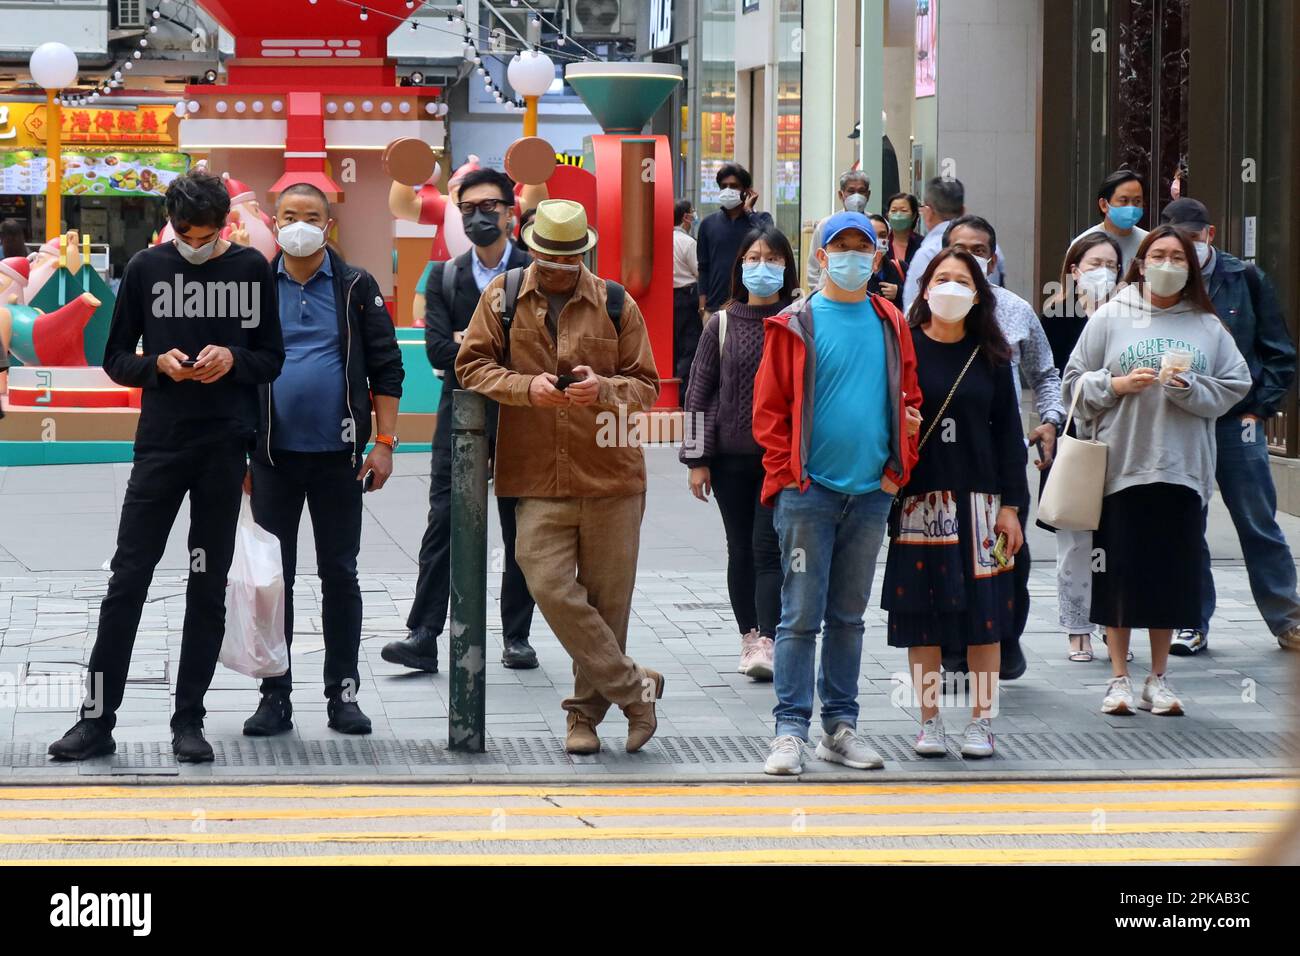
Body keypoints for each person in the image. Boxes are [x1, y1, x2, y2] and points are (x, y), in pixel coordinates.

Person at [48, 169, 285, 762]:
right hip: (161, 444)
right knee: (127, 580)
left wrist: (233, 357)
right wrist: (159, 367)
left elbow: (272, 358)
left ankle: (189, 720)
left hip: (224, 447)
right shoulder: (147, 269)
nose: (193, 243)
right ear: (170, 223)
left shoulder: (252, 270)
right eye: (183, 232)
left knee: (206, 585)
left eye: (204, 235)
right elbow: (114, 358)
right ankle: (96, 720)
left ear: (225, 226)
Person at [456, 199, 664, 755]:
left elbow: (647, 384)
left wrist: (606, 388)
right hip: (534, 476)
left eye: (569, 257)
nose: (557, 266)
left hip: (613, 476)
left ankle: (583, 719)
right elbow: (470, 365)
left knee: (607, 603)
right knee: (546, 583)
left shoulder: (616, 303)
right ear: (531, 245)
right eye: (548, 255)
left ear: (584, 253)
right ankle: (635, 690)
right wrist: (526, 387)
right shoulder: (500, 298)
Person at [752, 211, 922, 775]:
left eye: (862, 248)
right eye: (839, 247)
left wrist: (898, 470)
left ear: (876, 259)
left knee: (849, 616)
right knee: (799, 615)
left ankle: (840, 727)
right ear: (821, 256)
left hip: (872, 493)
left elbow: (911, 403)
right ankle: (789, 731)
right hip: (809, 494)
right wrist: (790, 474)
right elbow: (769, 413)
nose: (851, 257)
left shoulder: (890, 321)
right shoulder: (794, 322)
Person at [1062, 225, 1250, 717]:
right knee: (1119, 573)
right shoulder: (1111, 316)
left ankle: (1159, 679)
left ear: (1191, 267)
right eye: (1158, 254)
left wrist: (1191, 388)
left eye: (1178, 256)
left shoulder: (1207, 325)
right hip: (1120, 468)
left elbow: (1235, 385)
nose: (1167, 264)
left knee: (1172, 577)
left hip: (1183, 470)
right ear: (1141, 263)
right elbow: (1073, 387)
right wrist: (1117, 385)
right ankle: (1119, 676)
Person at [240, 182, 404, 737]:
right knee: (272, 579)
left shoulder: (357, 286)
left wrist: (384, 443)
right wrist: (237, 451)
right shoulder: (254, 283)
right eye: (289, 215)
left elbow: (386, 368)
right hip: (270, 458)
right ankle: (274, 695)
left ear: (328, 225)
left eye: (311, 215)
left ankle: (344, 695)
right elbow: (236, 372)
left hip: (340, 458)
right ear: (274, 221)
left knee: (340, 575)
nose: (300, 224)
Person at [384, 168, 538, 673]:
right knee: (445, 521)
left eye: (489, 207)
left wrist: (467, 345)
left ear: (510, 212)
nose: (478, 217)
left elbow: (539, 350)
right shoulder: (445, 275)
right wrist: (498, 352)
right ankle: (424, 633)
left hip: (522, 416)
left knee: (521, 530)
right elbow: (434, 348)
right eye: (468, 208)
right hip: (460, 413)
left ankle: (516, 636)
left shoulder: (535, 272)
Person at [884, 247, 1028, 758]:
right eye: (941, 278)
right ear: (923, 289)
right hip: (920, 501)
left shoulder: (992, 356)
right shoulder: (903, 351)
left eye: (962, 281)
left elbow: (1011, 438)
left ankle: (981, 722)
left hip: (983, 505)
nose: (950, 288)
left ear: (977, 294)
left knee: (985, 620)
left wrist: (1013, 506)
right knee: (921, 616)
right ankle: (929, 722)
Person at [1159, 197, 1300, 654]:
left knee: (1257, 520)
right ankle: (1191, 622)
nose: (1185, 252)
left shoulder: (1245, 278)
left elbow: (1278, 349)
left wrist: (1259, 409)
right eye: (1177, 243)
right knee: (1185, 525)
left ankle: (1287, 618)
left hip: (1237, 420)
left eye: (1193, 241)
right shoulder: (1163, 281)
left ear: (1210, 235)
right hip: (1181, 420)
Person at [940, 215, 1064, 679]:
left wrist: (1050, 420)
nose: (970, 257)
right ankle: (953, 648)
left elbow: (1046, 374)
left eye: (979, 250)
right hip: (939, 453)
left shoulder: (1013, 310)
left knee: (1006, 551)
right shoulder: (923, 311)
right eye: (959, 248)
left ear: (991, 258)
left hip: (1000, 451)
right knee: (945, 551)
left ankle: (1004, 639)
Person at [681, 225, 798, 681]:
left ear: (787, 266)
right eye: (753, 258)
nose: (762, 266)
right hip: (730, 460)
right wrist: (697, 460)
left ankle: (769, 638)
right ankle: (749, 636)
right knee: (740, 549)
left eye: (772, 258)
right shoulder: (721, 323)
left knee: (769, 547)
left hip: (781, 459)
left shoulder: (801, 320)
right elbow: (697, 393)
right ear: (740, 267)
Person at [1038, 232, 1124, 662]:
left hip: (1122, 441)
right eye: (1094, 264)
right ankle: (1077, 628)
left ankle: (1114, 622)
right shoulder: (1054, 319)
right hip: (1072, 438)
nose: (1103, 272)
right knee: (1075, 537)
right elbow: (1048, 382)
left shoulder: (1132, 318)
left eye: (1111, 265)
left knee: (1116, 536)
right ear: (1073, 272)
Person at [696, 163, 774, 314]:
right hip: (715, 307)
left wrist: (749, 212)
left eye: (733, 186)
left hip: (752, 306)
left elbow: (772, 241)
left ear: (746, 191)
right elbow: (703, 267)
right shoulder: (708, 224)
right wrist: (702, 307)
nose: (728, 190)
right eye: (724, 186)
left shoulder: (761, 219)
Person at [1070, 169, 1148, 270]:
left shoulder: (1148, 242)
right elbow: (1069, 283)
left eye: (1137, 201)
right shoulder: (1083, 243)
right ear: (1103, 205)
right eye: (1124, 200)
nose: (1131, 207)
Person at [805, 170, 871, 289]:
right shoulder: (826, 225)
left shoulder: (876, 225)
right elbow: (814, 265)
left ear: (868, 195)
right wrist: (818, 292)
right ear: (841, 195)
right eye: (851, 191)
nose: (856, 197)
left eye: (861, 191)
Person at [672, 198, 702, 393]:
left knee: (673, 345)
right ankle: (683, 394)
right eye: (692, 212)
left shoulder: (662, 240)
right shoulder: (688, 242)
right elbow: (699, 271)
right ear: (686, 217)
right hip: (687, 296)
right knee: (689, 346)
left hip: (668, 299)